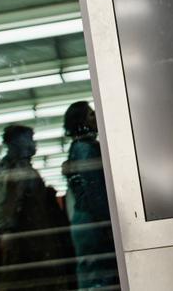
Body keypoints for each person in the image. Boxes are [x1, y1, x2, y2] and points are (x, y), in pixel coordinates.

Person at [0, 125, 72, 290]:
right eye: (30, 139)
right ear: (19, 142)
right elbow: (14, 200)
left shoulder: (15, 168)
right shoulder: (21, 170)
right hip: (30, 236)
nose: (34, 144)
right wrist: (9, 231)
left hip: (27, 236)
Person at [60, 102, 116, 289]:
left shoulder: (78, 148)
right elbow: (95, 190)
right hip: (93, 221)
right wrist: (107, 224)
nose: (95, 118)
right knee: (98, 275)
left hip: (86, 219)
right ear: (81, 121)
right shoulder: (86, 149)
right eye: (91, 115)